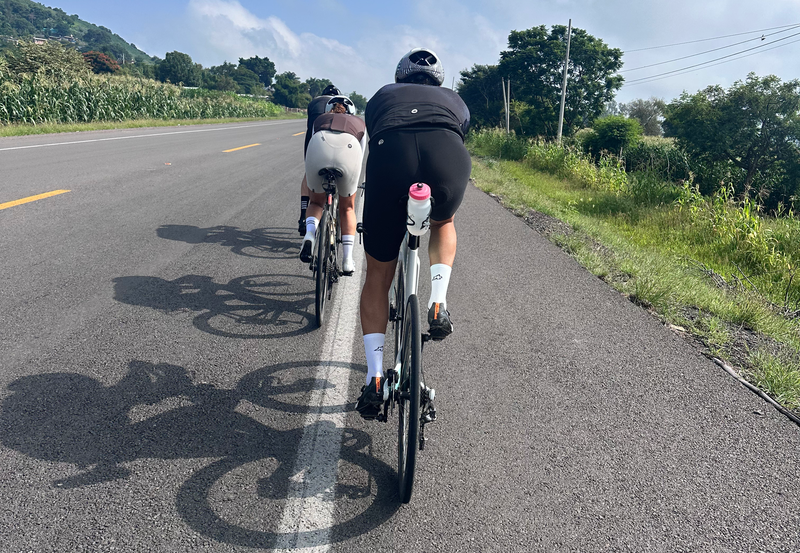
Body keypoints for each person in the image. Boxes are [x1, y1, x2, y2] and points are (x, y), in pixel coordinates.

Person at [355, 48, 471, 419]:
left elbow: (375, 130)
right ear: (437, 81)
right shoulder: (454, 99)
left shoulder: (384, 95)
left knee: (377, 275)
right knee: (443, 221)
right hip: (446, 153)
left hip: (393, 155)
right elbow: (461, 130)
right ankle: (437, 300)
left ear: (400, 76)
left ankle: (375, 378)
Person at [301, 95, 366, 275]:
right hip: (349, 151)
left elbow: (308, 148)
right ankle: (347, 260)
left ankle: (309, 235)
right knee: (347, 208)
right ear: (351, 112)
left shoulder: (320, 119)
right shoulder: (359, 122)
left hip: (319, 145)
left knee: (316, 203)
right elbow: (361, 155)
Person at [298, 84, 341, 234]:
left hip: (314, 139)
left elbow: (310, 125)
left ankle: (303, 215)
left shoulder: (314, 102)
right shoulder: (342, 102)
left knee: (308, 174)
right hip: (337, 144)